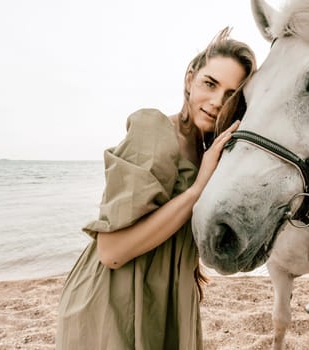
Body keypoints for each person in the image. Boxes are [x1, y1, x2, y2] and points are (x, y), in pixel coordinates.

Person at [56, 27, 256, 350]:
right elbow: (111, 252)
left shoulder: (211, 155)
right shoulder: (156, 131)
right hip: (113, 305)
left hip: (168, 304)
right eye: (210, 83)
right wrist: (197, 190)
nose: (218, 101)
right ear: (190, 79)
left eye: (231, 94)